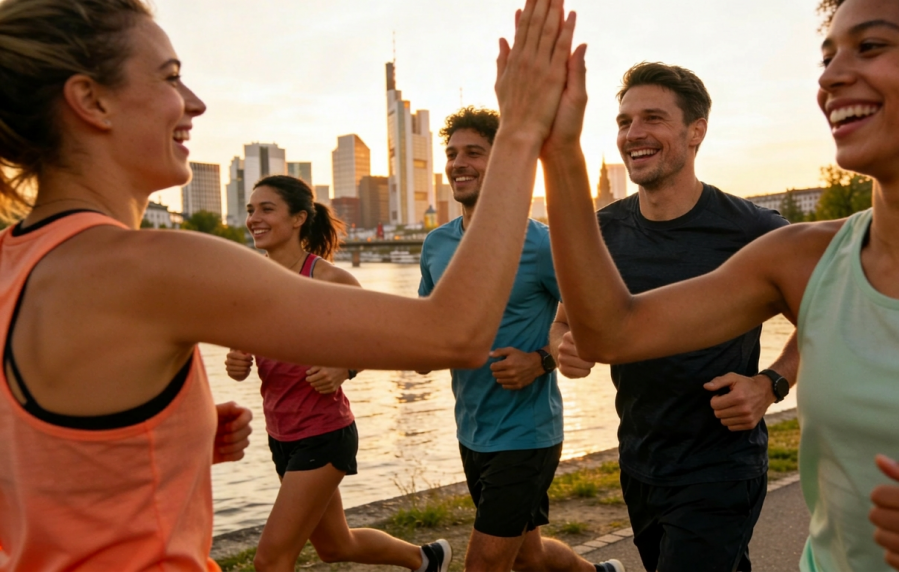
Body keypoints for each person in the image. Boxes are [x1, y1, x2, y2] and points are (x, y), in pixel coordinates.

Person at [0, 0, 578, 568]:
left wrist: (164, 436)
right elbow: (453, 335)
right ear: (90, 101)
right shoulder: (159, 264)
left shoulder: (15, 263)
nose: (195, 103)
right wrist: (522, 133)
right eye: (172, 78)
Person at [541, 0, 899, 570]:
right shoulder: (800, 256)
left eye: (870, 46)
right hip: (646, 461)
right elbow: (611, 332)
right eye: (827, 56)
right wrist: (558, 149)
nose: (830, 77)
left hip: (718, 465)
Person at [549, 62, 800, 572]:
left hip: (721, 464)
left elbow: (825, 315)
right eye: (623, 122)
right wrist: (563, 348)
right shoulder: (601, 231)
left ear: (695, 131)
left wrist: (770, 383)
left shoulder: (754, 229)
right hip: (639, 460)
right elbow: (562, 322)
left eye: (653, 118)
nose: (634, 134)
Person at [419, 107, 623, 572]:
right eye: (451, 153)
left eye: (474, 152)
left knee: (485, 564)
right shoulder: (436, 245)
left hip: (526, 431)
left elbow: (589, 317)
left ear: (508, 163)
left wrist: (541, 361)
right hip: (471, 428)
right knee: (528, 557)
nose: (458, 162)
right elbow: (427, 324)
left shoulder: (539, 244)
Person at [223, 175, 450, 571]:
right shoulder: (247, 281)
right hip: (280, 434)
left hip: (323, 434)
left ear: (298, 219)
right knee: (335, 545)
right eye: (250, 210)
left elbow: (381, 339)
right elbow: (242, 359)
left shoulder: (328, 279)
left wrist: (345, 368)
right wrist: (236, 362)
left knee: (270, 559)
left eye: (266, 209)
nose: (254, 218)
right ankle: (426, 559)